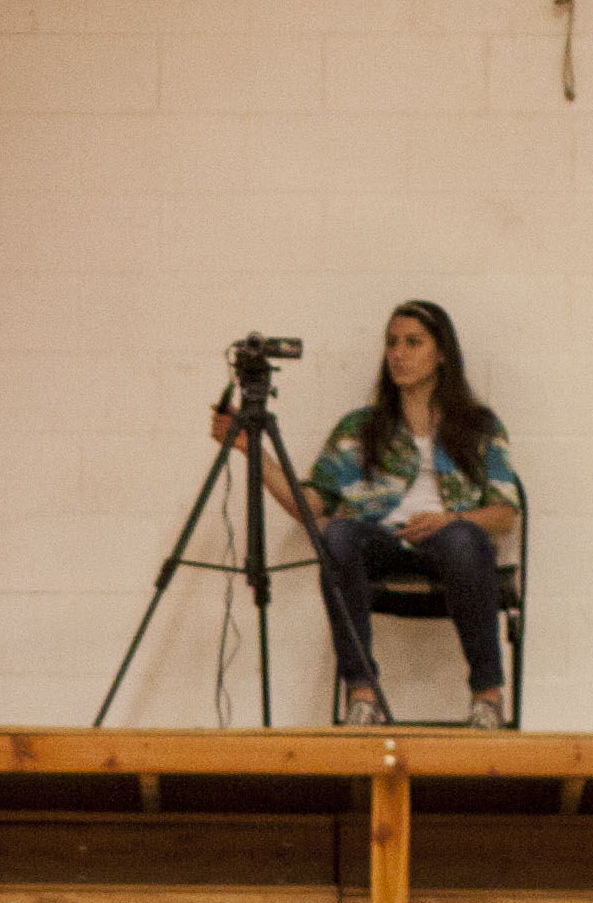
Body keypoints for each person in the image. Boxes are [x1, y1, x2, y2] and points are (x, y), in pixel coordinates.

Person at [214, 300, 519, 729]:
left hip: (449, 542)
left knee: (465, 540)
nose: (398, 353)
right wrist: (253, 451)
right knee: (336, 535)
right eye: (392, 343)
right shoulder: (359, 428)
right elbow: (310, 506)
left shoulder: (478, 425)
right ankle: (363, 694)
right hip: (381, 542)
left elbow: (505, 514)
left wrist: (452, 520)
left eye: (413, 342)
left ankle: (487, 697)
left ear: (442, 353)